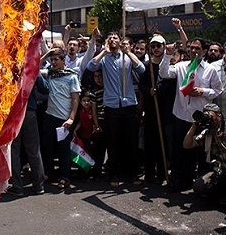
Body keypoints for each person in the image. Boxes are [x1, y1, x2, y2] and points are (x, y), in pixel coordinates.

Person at [159, 37, 222, 192]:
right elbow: (164, 73)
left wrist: (203, 92)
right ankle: (181, 181)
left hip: (200, 118)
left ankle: (201, 185)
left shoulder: (210, 70)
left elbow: (218, 90)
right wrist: (167, 55)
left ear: (204, 51)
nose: (193, 51)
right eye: (191, 48)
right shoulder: (181, 66)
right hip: (181, 115)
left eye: (197, 49)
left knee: (201, 153)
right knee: (181, 152)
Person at [87, 31, 145, 187]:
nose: (112, 40)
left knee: (131, 141)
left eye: (115, 38)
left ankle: (131, 173)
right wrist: (103, 51)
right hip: (112, 105)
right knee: (114, 142)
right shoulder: (104, 59)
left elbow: (141, 69)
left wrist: (129, 52)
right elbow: (90, 66)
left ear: (121, 41)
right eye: (110, 38)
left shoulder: (126, 56)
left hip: (129, 103)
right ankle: (114, 174)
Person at [183, 103, 226, 218]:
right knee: (199, 186)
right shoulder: (207, 133)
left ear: (219, 116)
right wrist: (195, 126)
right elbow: (187, 144)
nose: (208, 119)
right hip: (222, 173)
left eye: (210, 115)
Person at [41, 48, 80, 190]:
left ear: (64, 61)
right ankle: (49, 173)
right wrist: (47, 54)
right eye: (52, 60)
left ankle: (64, 177)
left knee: (63, 149)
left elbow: (75, 99)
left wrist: (71, 118)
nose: (53, 62)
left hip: (63, 119)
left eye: (57, 59)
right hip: (49, 116)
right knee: (48, 147)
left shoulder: (72, 76)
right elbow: (35, 67)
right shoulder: (50, 74)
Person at [8, 71, 46, 196]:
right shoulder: (32, 69)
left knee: (14, 150)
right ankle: (39, 186)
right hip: (29, 112)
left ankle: (17, 186)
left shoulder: (9, 66)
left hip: (14, 113)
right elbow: (45, 89)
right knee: (33, 150)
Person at [137, 35, 167, 184]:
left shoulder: (169, 65)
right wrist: (149, 91)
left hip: (165, 110)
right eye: (153, 46)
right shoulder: (146, 66)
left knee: (164, 143)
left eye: (158, 46)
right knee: (150, 142)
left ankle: (162, 172)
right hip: (150, 109)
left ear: (164, 47)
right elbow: (141, 85)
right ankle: (149, 173)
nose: (156, 49)